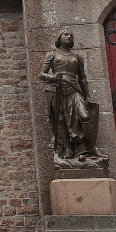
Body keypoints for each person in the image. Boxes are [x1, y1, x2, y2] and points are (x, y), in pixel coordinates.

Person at [40, 30, 102, 162]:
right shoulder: (52, 55)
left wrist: (87, 96)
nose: (69, 36)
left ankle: (92, 148)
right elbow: (42, 75)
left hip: (74, 89)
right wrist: (53, 76)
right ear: (59, 37)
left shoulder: (77, 57)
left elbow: (83, 79)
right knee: (60, 120)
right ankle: (68, 150)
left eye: (71, 35)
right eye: (66, 34)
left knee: (84, 116)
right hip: (56, 89)